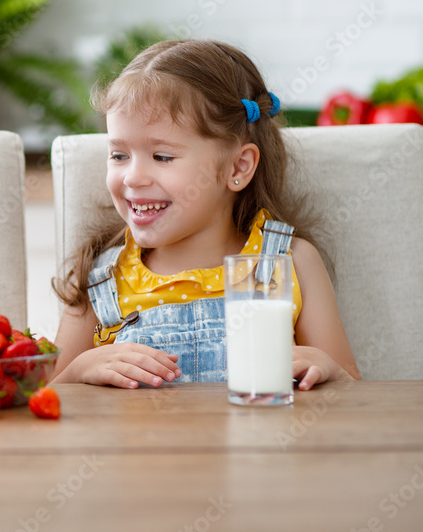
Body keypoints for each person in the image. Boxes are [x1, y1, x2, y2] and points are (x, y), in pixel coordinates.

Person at [51, 39, 361, 390]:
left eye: (162, 157)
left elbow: (352, 390)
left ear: (238, 167)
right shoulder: (102, 277)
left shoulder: (290, 263)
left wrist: (327, 369)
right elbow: (48, 400)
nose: (133, 177)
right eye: (119, 155)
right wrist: (80, 370)